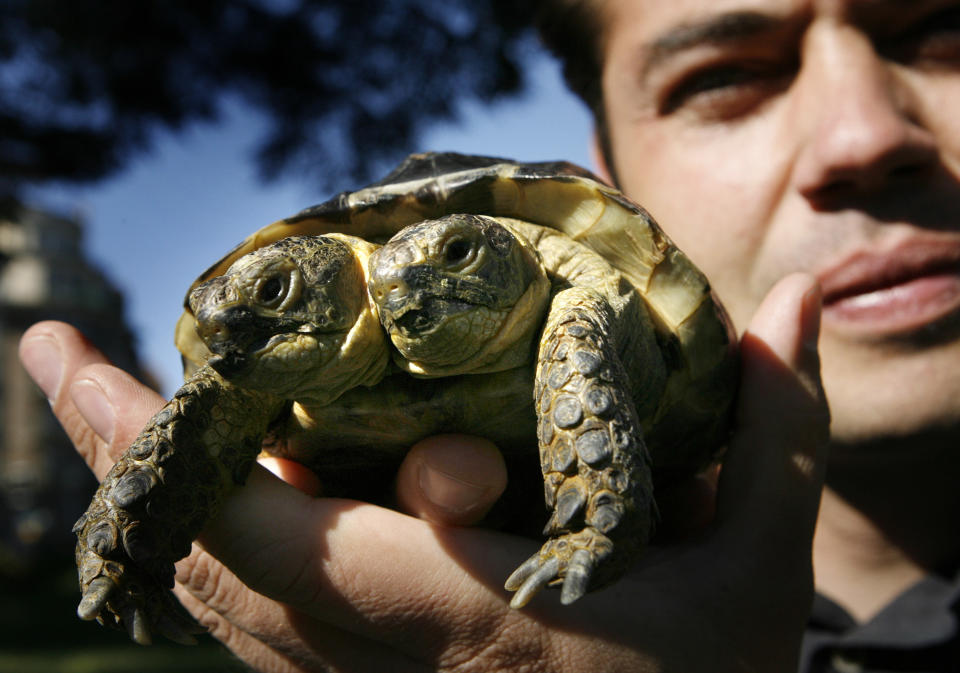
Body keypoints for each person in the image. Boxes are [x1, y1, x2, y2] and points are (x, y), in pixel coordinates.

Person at [17, 0, 960, 670]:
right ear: (614, 161)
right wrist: (138, 528)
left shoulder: (573, 289)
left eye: (942, 30)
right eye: (726, 77)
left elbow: (573, 323)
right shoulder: (288, 341)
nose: (862, 139)